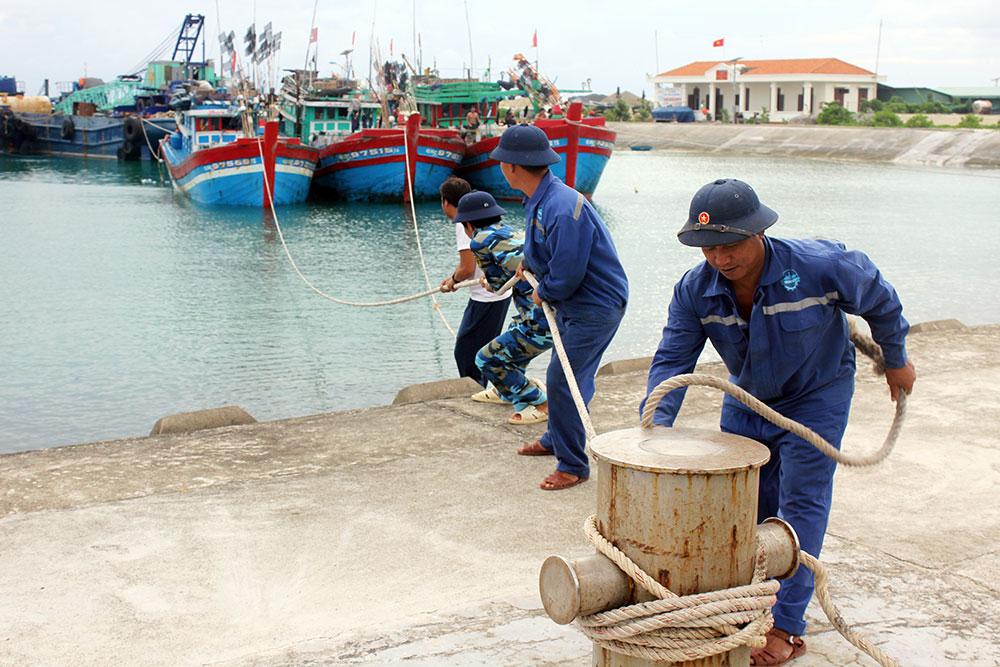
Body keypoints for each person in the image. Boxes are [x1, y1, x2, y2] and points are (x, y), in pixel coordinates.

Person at [640, 178, 916, 665]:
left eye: (730, 246)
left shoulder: (819, 266)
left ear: (759, 232)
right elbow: (672, 360)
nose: (720, 260)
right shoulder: (694, 290)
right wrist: (654, 425)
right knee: (745, 505)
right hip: (748, 398)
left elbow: (879, 298)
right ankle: (747, 601)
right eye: (708, 249)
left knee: (800, 504)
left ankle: (787, 623)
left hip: (817, 394)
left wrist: (895, 358)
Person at [490, 124, 629, 491]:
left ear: (513, 166)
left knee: (562, 379)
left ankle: (572, 465)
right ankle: (557, 438)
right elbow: (546, 251)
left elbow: (566, 275)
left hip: (594, 306)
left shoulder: (562, 206)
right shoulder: (540, 197)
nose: (500, 167)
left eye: (502, 161)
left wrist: (543, 290)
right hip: (577, 304)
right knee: (573, 376)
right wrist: (530, 267)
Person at [451, 190, 553, 425]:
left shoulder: (478, 240)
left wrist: (489, 281)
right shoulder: (513, 231)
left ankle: (541, 403)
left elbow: (498, 287)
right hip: (550, 309)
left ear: (468, 224)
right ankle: (503, 390)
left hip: (541, 320)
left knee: (485, 359)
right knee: (513, 330)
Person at [438, 177, 512, 390]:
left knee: (465, 351)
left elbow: (467, 268)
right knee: (481, 347)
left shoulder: (465, 224)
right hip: (499, 292)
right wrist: (454, 277)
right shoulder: (482, 215)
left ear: (446, 203)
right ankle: (483, 386)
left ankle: (476, 389)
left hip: (486, 297)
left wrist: (452, 281)